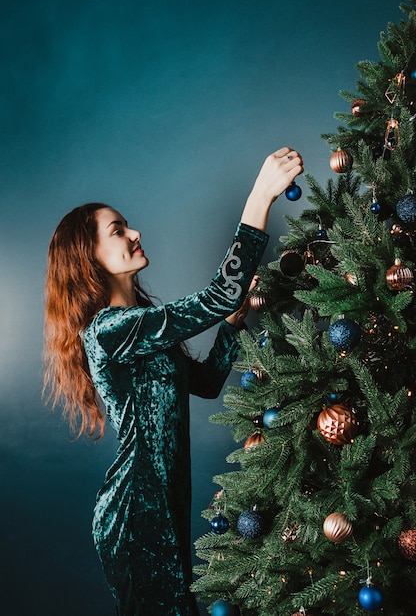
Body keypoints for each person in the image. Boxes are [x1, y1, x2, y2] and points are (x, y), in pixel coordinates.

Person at [43, 147, 303, 616]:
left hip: (166, 498)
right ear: (89, 256)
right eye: (118, 230)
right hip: (138, 508)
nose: (135, 233)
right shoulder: (108, 329)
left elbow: (203, 383)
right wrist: (260, 196)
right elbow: (217, 294)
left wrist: (233, 323)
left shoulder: (140, 324)